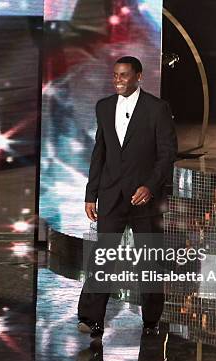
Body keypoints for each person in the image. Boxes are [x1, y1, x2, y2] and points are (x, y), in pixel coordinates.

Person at [78, 56, 177, 337]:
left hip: (144, 198)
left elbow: (167, 153)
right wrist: (91, 193)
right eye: (115, 76)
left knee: (149, 259)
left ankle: (152, 320)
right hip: (111, 195)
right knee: (103, 256)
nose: (118, 80)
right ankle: (90, 317)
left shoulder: (157, 109)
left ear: (138, 77)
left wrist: (149, 186)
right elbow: (101, 152)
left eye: (124, 75)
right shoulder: (104, 107)